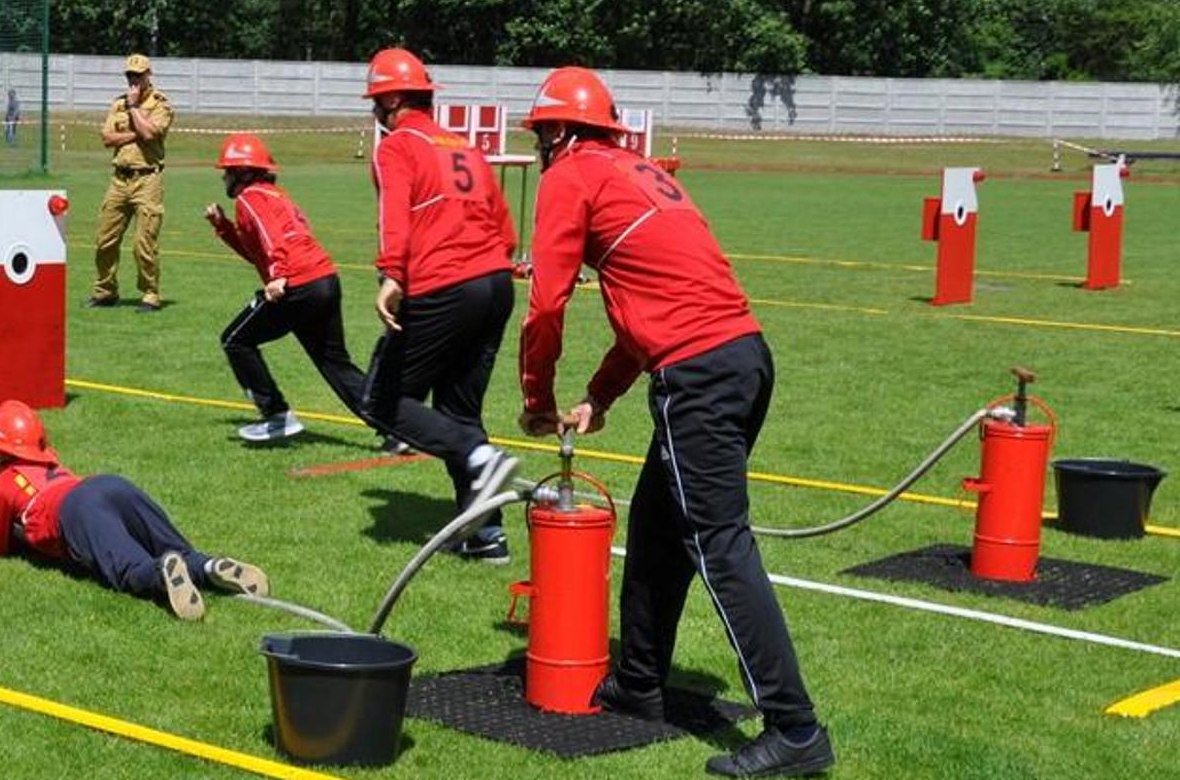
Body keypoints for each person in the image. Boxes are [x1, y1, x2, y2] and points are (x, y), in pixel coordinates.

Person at [515, 67, 832, 778]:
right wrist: (600, 396)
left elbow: (546, 305)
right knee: (658, 526)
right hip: (742, 357)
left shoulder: (573, 174)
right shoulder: (635, 169)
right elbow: (649, 302)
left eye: (539, 136)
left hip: (701, 376)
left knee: (719, 545)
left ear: (559, 132)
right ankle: (638, 682)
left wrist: (535, 397)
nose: (537, 150)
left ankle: (795, 728)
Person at [359, 47, 519, 562]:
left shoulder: (398, 146)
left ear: (396, 101)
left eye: (378, 101)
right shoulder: (466, 147)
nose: (375, 112)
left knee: (383, 403)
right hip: (495, 282)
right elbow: (505, 225)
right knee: (458, 409)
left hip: (446, 283)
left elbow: (394, 216)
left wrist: (391, 275)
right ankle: (486, 534)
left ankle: (480, 456)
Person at [0, 400, 269, 620]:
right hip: (109, 485)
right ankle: (210, 566)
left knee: (128, 568)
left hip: (75, 511)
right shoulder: (52, 462)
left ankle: (162, 574)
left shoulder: (3, 485)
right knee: (174, 547)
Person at [202, 132, 366, 442]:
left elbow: (271, 238)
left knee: (235, 340)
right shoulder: (275, 195)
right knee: (335, 363)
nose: (224, 177)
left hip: (297, 283)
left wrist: (278, 274)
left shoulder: (250, 198)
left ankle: (276, 415)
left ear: (242, 172)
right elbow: (257, 252)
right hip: (324, 278)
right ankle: (396, 426)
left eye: (227, 171)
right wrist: (223, 228)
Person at [89, 53, 173, 312]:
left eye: (138, 75)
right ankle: (106, 291)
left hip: (147, 179)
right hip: (119, 180)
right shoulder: (117, 104)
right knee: (105, 239)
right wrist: (134, 133)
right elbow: (107, 139)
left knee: (143, 243)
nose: (133, 80)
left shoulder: (161, 105)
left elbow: (150, 133)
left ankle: (150, 294)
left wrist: (135, 108)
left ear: (149, 75)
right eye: (130, 75)